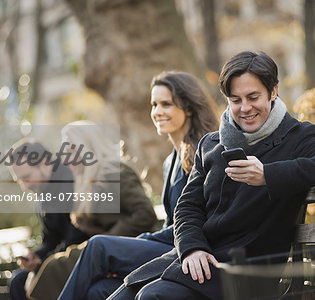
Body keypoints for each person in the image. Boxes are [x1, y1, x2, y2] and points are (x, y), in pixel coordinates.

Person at [107, 51, 315, 300]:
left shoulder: (298, 136)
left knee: (152, 296)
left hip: (247, 271)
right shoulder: (211, 144)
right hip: (199, 261)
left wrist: (267, 174)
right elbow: (187, 206)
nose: (245, 108)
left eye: (253, 97)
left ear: (273, 91)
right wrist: (192, 248)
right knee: (114, 295)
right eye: (235, 100)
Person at [57, 71, 219, 300]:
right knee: (98, 290)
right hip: (166, 245)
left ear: (189, 108)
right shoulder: (170, 161)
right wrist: (142, 241)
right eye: (154, 104)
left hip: (189, 250)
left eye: (166, 104)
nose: (157, 112)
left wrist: (141, 241)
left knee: (98, 247)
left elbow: (201, 220)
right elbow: (171, 221)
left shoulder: (204, 152)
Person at [24, 121, 157, 300]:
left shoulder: (112, 172)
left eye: (70, 150)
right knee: (56, 266)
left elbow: (145, 214)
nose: (65, 158)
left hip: (132, 247)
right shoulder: (87, 180)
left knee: (56, 268)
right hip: (108, 250)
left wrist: (109, 242)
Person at [8, 140, 89, 300]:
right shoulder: (42, 189)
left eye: (27, 177)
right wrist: (34, 256)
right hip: (61, 256)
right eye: (20, 181)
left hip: (84, 254)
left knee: (24, 282)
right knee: (17, 281)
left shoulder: (71, 182)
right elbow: (50, 239)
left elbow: (77, 236)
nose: (24, 186)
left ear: (45, 162)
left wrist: (41, 264)